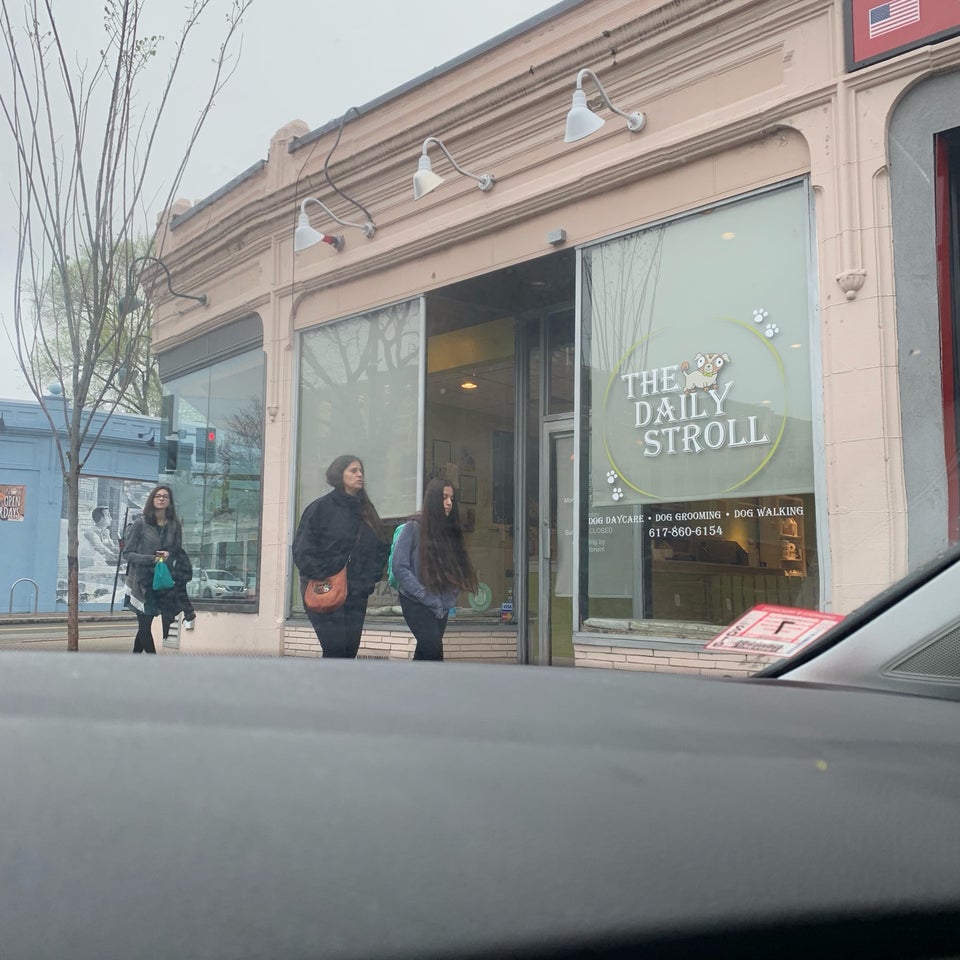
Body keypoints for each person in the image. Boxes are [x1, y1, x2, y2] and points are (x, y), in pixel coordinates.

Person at [292, 455, 390, 659]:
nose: (360, 475)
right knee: (335, 650)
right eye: (353, 470)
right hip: (324, 588)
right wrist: (324, 572)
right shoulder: (321, 508)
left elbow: (381, 546)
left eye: (361, 471)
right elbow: (302, 549)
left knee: (349, 651)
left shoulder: (366, 510)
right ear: (339, 474)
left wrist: (369, 580)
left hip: (356, 593)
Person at [392, 477, 477, 661]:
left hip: (440, 605)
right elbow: (399, 566)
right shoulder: (414, 526)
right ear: (433, 499)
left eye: (451, 498)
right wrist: (422, 593)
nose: (449, 503)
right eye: (444, 497)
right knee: (433, 648)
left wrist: (449, 598)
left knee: (427, 650)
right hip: (415, 601)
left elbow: (456, 567)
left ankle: (416, 680)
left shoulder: (449, 531)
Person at [122, 485, 184, 654]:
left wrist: (169, 554)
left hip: (162, 581)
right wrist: (151, 558)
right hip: (142, 582)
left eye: (165, 496)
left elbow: (178, 551)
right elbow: (127, 553)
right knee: (144, 625)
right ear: (152, 500)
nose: (161, 499)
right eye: (158, 496)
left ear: (170, 501)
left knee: (145, 624)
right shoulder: (141, 523)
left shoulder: (174, 525)